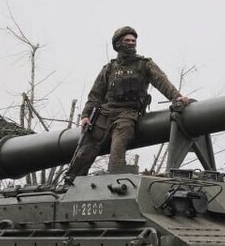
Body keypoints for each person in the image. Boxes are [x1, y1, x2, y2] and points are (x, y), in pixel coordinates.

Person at [64, 26, 192, 182]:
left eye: (133, 40)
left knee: (118, 147)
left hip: (127, 114)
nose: (131, 43)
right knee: (86, 148)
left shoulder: (144, 64)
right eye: (127, 40)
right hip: (105, 114)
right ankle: (71, 181)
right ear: (118, 43)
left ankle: (114, 182)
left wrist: (176, 97)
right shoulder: (109, 69)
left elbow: (162, 82)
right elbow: (95, 95)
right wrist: (85, 116)